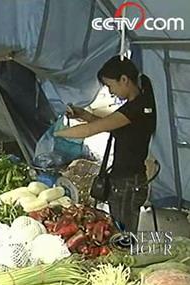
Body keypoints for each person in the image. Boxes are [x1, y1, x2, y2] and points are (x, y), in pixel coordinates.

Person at [54, 55, 156, 233]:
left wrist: (54, 133)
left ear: (124, 80)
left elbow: (90, 130)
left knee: (122, 234)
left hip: (128, 184)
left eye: (110, 85)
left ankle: (125, 260)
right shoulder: (137, 105)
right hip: (126, 180)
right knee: (117, 230)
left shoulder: (135, 109)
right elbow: (110, 125)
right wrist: (83, 115)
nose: (110, 92)